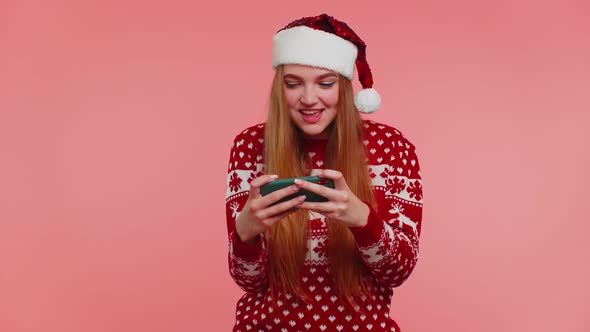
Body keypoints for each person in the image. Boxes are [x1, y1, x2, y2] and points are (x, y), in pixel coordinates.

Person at [225, 13, 423, 332]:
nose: (308, 99)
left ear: (344, 87)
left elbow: (396, 273)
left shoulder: (392, 147)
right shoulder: (250, 146)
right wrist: (246, 233)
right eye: (293, 84)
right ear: (280, 89)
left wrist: (363, 220)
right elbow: (249, 281)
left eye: (325, 83)